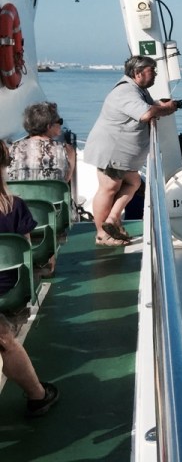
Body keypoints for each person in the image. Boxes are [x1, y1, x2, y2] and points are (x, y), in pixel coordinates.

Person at [83, 55, 178, 246]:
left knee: (133, 183)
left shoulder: (138, 90)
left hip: (122, 154)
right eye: (152, 71)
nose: (156, 75)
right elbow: (145, 114)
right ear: (138, 73)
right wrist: (166, 109)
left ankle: (112, 220)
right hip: (112, 151)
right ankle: (103, 234)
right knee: (108, 189)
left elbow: (148, 107)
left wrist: (161, 104)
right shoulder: (125, 91)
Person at [0, 140, 60, 417]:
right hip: (8, 292)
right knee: (5, 340)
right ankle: (37, 395)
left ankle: (38, 394)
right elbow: (25, 252)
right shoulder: (14, 207)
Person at [8, 101, 77, 184]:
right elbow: (66, 179)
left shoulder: (12, 149)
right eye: (60, 121)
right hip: (53, 196)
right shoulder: (67, 150)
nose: (61, 124)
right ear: (49, 126)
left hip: (20, 196)